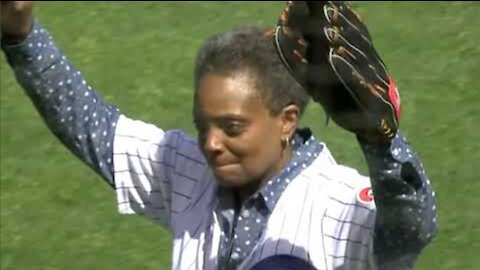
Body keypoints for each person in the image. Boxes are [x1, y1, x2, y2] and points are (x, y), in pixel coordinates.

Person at [1, 2, 438, 270]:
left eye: (231, 128)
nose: (210, 143)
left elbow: (410, 230)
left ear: (286, 120)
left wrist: (382, 146)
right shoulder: (187, 170)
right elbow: (91, 125)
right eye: (201, 125)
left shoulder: (337, 203)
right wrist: (20, 35)